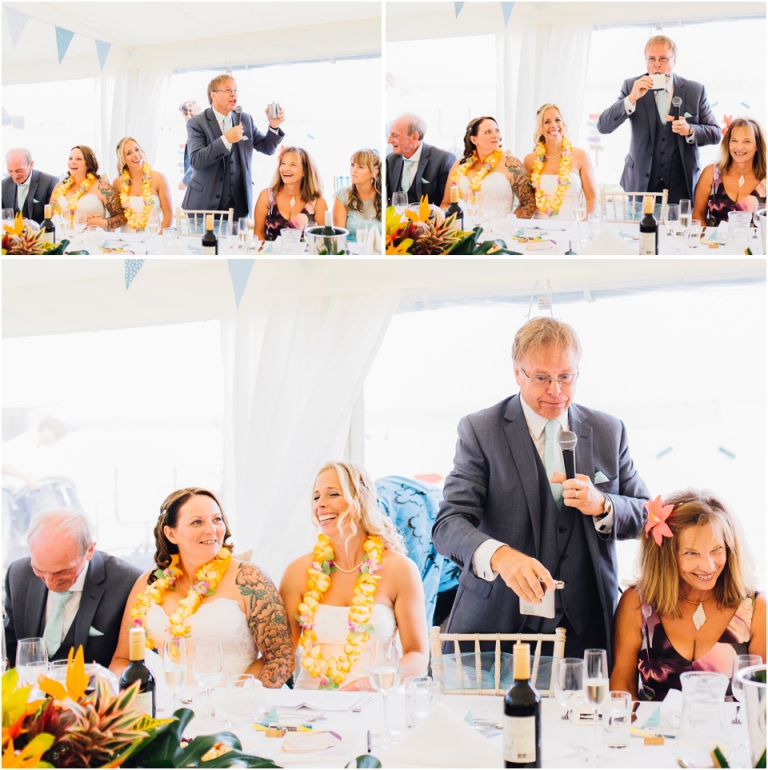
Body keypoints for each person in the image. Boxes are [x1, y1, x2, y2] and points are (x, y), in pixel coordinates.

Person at [432, 317, 650, 661]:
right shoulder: (480, 430)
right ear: (517, 373)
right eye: (542, 378)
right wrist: (501, 557)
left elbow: (645, 513)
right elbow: (447, 525)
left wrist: (603, 504)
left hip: (587, 630)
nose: (556, 391)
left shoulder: (609, 430)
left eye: (566, 377)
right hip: (495, 628)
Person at [110, 487, 293, 687]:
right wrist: (134, 692)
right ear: (171, 533)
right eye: (197, 522)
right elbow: (122, 660)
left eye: (217, 519)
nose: (211, 530)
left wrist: (234, 698)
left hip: (234, 707)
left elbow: (281, 657)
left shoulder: (249, 579)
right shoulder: (149, 583)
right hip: (167, 708)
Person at [280, 462, 429, 690]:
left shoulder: (400, 569)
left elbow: (417, 655)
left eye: (333, 494)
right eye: (316, 497)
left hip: (376, 701)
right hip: (310, 708)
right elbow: (283, 657)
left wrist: (370, 684)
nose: (321, 504)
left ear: (360, 500)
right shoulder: (297, 572)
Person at [610, 491, 765, 700]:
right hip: (651, 732)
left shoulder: (756, 608)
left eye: (717, 549)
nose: (709, 565)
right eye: (691, 553)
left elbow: (762, 698)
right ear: (666, 556)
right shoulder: (636, 603)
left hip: (729, 732)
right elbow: (621, 688)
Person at [4, 508, 141, 668]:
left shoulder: (129, 583)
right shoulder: (18, 574)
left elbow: (134, 663)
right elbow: (9, 650)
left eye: (62, 572)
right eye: (40, 570)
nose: (50, 583)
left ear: (89, 550)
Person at [597, 35, 720, 205]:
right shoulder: (631, 86)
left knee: (678, 230)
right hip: (640, 183)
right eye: (651, 59)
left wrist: (690, 130)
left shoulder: (695, 90)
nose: (657, 64)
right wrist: (631, 98)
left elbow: (715, 133)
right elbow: (603, 126)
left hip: (681, 184)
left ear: (674, 60)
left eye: (663, 58)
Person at [181, 75, 285, 221]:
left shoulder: (245, 119)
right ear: (213, 95)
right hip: (203, 205)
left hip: (238, 206)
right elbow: (196, 160)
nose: (234, 94)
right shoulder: (196, 123)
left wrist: (274, 126)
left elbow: (267, 148)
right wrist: (226, 140)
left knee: (236, 244)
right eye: (228, 90)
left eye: (236, 90)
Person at [440, 116, 536, 219]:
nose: (495, 135)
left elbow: (529, 204)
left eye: (497, 131)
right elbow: (446, 204)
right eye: (488, 132)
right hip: (465, 231)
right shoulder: (459, 165)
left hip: (501, 232)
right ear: (474, 139)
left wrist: (510, 226)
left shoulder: (511, 164)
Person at [523, 104, 597, 219]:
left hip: (572, 229)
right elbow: (527, 202)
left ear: (563, 125)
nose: (553, 125)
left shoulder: (581, 156)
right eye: (547, 122)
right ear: (540, 129)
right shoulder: (529, 160)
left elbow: (591, 197)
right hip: (539, 230)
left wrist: (586, 224)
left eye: (557, 120)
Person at [693, 117, 766, 227]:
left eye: (747, 141)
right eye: (734, 140)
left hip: (753, 244)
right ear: (728, 143)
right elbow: (698, 215)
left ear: (758, 146)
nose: (739, 147)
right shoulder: (711, 173)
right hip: (712, 243)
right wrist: (707, 241)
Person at [254, 146, 327, 241]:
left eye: (293, 165)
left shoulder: (318, 202)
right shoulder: (266, 196)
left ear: (305, 171)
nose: (285, 168)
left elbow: (323, 241)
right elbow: (258, 233)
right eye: (283, 163)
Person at [49, 146, 126, 231]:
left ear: (88, 164)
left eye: (78, 159)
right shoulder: (60, 186)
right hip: (63, 240)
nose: (72, 162)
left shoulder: (102, 188)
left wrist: (101, 222)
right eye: (70, 158)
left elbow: (122, 217)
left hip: (91, 241)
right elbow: (49, 217)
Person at [386, 114, 455, 207]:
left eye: (395, 135)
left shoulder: (443, 159)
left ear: (414, 138)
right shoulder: (391, 160)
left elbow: (448, 204)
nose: (389, 140)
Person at [112, 137, 173, 232]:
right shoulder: (117, 183)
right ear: (123, 159)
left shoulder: (159, 178)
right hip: (125, 241)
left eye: (137, 149)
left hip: (154, 239)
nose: (136, 155)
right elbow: (115, 217)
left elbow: (169, 216)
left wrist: (157, 239)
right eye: (129, 153)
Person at [333, 149, 382, 243]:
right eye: (352, 165)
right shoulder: (341, 196)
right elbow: (339, 238)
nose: (353, 170)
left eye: (360, 167)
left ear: (374, 172)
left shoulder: (383, 196)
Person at [2, 148, 59, 225]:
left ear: (31, 164)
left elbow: (54, 219)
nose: (15, 176)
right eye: (10, 171)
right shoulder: (3, 185)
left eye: (19, 170)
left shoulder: (50, 182)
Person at [178, 100, 202, 191]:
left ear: (190, 114)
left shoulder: (198, 132)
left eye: (184, 115)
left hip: (198, 183)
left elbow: (198, 159)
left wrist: (185, 179)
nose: (184, 119)